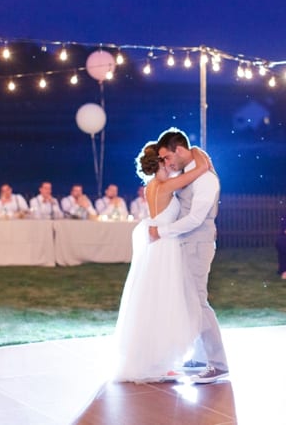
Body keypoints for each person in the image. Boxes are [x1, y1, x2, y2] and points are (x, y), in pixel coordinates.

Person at [114, 141, 210, 383]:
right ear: (158, 163)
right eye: (165, 159)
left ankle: (155, 359)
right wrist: (195, 150)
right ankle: (161, 360)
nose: (170, 162)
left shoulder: (151, 188)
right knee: (167, 299)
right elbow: (202, 168)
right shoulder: (167, 186)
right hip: (166, 247)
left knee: (151, 299)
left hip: (155, 248)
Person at [149, 128, 228, 384]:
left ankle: (218, 364)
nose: (166, 163)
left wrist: (162, 231)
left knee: (199, 302)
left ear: (179, 150)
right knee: (189, 302)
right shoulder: (189, 172)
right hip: (183, 244)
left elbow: (196, 219)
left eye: (167, 157)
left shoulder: (206, 180)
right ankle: (199, 357)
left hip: (198, 244)